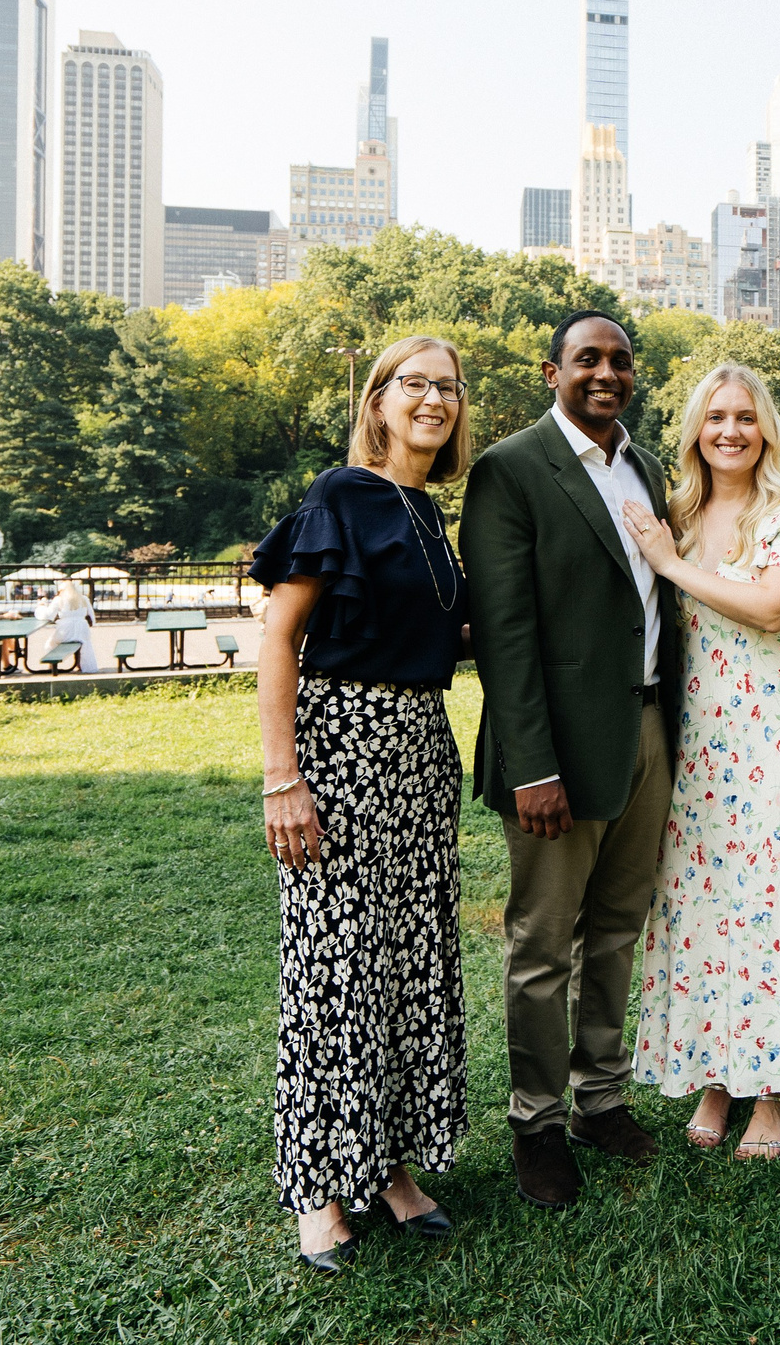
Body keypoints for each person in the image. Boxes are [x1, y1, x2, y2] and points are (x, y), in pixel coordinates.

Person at [252, 334, 473, 1271]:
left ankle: (389, 1169)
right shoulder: (342, 496)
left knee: (410, 961)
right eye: (415, 383)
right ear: (379, 399)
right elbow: (280, 635)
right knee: (334, 969)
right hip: (339, 748)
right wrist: (281, 774)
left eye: (448, 387)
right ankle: (318, 1189)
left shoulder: (429, 512)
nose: (434, 399)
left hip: (422, 751)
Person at [461, 310, 681, 1209]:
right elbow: (504, 635)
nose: (605, 373)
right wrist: (530, 766)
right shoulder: (510, 469)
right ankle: (537, 1118)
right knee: (544, 942)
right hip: (553, 747)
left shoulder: (648, 467)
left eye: (620, 361)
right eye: (586, 358)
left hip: (646, 732)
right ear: (552, 370)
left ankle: (600, 1095)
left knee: (619, 929)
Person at [617, 362, 780, 1161]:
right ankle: (717, 1072)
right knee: (708, 902)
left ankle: (777, 1089)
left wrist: (674, 566)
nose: (729, 430)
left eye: (745, 418)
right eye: (715, 416)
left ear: (767, 431)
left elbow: (776, 606)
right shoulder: (677, 513)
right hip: (703, 738)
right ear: (695, 429)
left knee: (778, 900)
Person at [43, 579, 102, 673]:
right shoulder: (83, 599)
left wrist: (41, 607)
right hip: (82, 631)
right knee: (83, 643)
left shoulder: (59, 599)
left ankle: (51, 665)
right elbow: (92, 618)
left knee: (50, 643)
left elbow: (48, 615)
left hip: (65, 631)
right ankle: (80, 664)